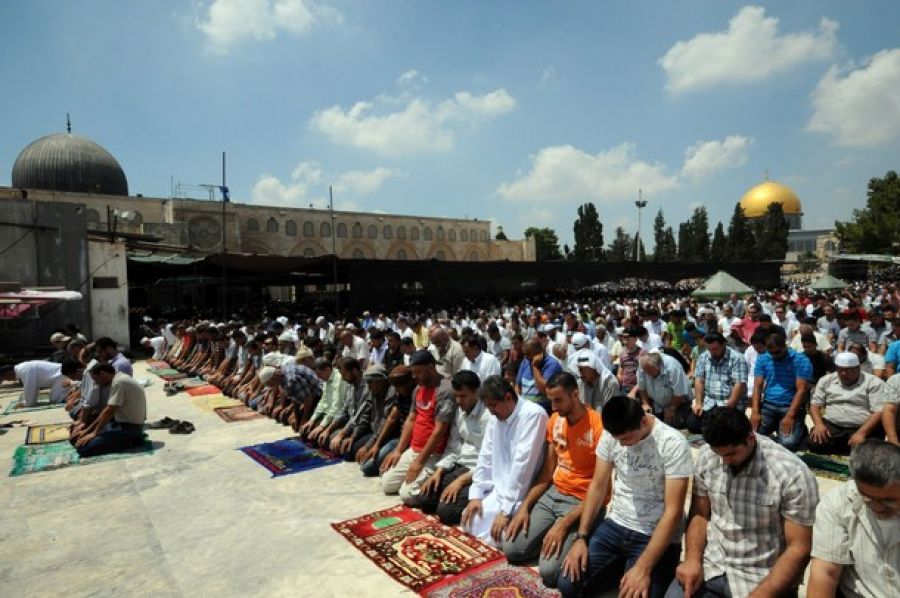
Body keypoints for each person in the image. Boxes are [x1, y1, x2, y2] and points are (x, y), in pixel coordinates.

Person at [665, 408, 819, 598]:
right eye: (719, 454)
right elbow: (700, 513)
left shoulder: (791, 474)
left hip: (762, 576)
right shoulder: (708, 456)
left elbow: (799, 548)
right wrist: (692, 559)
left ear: (750, 438)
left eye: (731, 454)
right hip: (712, 564)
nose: (725, 461)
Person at [559, 395, 691, 598]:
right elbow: (598, 486)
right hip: (617, 524)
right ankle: (621, 566)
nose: (623, 445)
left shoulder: (672, 443)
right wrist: (581, 537)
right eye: (618, 440)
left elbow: (673, 512)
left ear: (643, 421)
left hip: (654, 534)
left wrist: (644, 567)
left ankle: (634, 567)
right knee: (568, 584)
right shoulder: (612, 436)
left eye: (627, 439)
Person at [503, 372, 604, 588]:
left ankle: (575, 536)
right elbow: (547, 472)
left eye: (558, 400)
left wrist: (565, 523)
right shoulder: (555, 420)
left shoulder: (597, 426)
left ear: (575, 394)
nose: (554, 406)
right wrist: (525, 506)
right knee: (511, 548)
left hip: (581, 501)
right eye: (550, 400)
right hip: (553, 494)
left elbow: (601, 489)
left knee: (550, 573)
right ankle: (549, 537)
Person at [461, 375, 548, 545]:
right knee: (468, 521)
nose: (491, 412)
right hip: (499, 491)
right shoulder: (496, 418)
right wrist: (476, 495)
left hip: (522, 494)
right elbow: (485, 457)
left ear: (508, 398)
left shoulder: (533, 415)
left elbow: (522, 467)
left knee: (504, 539)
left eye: (493, 406)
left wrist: (506, 511)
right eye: (488, 407)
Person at [808, 439, 900, 597]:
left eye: (888, 500)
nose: (878, 507)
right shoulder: (838, 503)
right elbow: (825, 573)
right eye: (867, 497)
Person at [414, 370, 491, 524]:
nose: (459, 401)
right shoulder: (460, 411)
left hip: (478, 472)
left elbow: (489, 461)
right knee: (425, 499)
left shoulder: (488, 416)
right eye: (456, 396)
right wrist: (439, 471)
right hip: (459, 466)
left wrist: (461, 481)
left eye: (463, 396)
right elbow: (453, 447)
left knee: (446, 512)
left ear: (476, 392)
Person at [380, 350, 456, 503]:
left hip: (433, 453)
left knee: (407, 495)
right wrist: (398, 450)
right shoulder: (418, 389)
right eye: (413, 372)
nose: (414, 377)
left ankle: (439, 479)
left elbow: (439, 431)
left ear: (431, 367)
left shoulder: (445, 390)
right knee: (387, 485)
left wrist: (420, 461)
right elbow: (411, 419)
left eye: (418, 372)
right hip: (414, 449)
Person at [808, 352, 887, 455]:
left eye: (849, 370)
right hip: (834, 425)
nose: (844, 374)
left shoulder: (874, 383)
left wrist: (861, 433)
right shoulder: (826, 380)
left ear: (858, 368)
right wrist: (818, 424)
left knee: (870, 453)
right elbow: (815, 405)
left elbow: (878, 412)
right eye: (841, 370)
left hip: (863, 426)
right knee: (815, 443)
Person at [751, 333, 813, 452]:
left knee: (788, 444)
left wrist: (790, 415)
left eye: (777, 352)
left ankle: (797, 429)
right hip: (769, 405)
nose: (774, 355)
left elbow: (802, 390)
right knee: (750, 436)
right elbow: (757, 386)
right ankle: (783, 430)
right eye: (771, 352)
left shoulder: (801, 361)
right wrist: (755, 412)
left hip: (791, 407)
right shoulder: (763, 358)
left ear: (785, 346)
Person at [71, 364, 147, 458]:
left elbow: (110, 411)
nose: (97, 383)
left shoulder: (119, 382)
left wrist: (94, 433)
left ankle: (133, 440)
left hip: (129, 428)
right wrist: (87, 430)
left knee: (83, 448)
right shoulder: (118, 380)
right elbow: (105, 411)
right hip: (118, 423)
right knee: (77, 437)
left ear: (103, 374)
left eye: (96, 379)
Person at [357, 365, 414, 477]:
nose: (396, 390)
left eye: (398, 386)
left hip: (410, 441)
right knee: (366, 466)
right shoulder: (401, 395)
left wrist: (397, 450)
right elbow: (391, 418)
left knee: (369, 468)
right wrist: (376, 445)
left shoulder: (415, 395)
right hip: (399, 439)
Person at [689, 332, 748, 434]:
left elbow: (739, 384)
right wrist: (699, 403)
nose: (712, 352)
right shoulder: (703, 357)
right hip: (710, 401)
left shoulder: (737, 358)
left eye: (715, 349)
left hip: (728, 403)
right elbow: (699, 380)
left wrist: (730, 405)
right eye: (709, 349)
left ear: (724, 344)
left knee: (725, 429)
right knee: (692, 424)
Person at [637, 351, 692, 429]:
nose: (649, 375)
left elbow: (680, 393)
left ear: (658, 365)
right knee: (646, 424)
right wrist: (646, 404)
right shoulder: (642, 366)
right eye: (646, 372)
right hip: (657, 404)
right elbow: (641, 388)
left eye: (651, 372)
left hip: (678, 402)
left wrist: (672, 408)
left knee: (671, 425)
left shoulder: (672, 366)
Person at [515, 338, 563, 414]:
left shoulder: (552, 364)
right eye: (525, 354)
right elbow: (518, 385)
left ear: (539, 352)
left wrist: (535, 367)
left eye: (528, 354)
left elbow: (545, 389)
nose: (526, 357)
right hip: (524, 411)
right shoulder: (525, 362)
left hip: (542, 412)